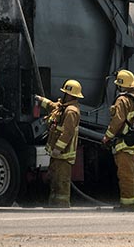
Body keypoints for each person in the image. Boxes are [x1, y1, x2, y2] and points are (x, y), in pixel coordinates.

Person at [102, 69, 134, 211]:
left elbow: (117, 121)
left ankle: (127, 204)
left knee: (127, 176)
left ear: (121, 85)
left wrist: (107, 136)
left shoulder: (122, 100)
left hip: (125, 144)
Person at [34, 79, 83, 208]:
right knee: (55, 181)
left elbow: (67, 133)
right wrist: (40, 100)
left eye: (66, 93)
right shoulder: (63, 107)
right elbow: (52, 106)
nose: (64, 95)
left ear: (70, 95)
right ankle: (54, 205)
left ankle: (62, 206)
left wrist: (58, 149)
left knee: (61, 182)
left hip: (64, 155)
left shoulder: (71, 111)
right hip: (58, 155)